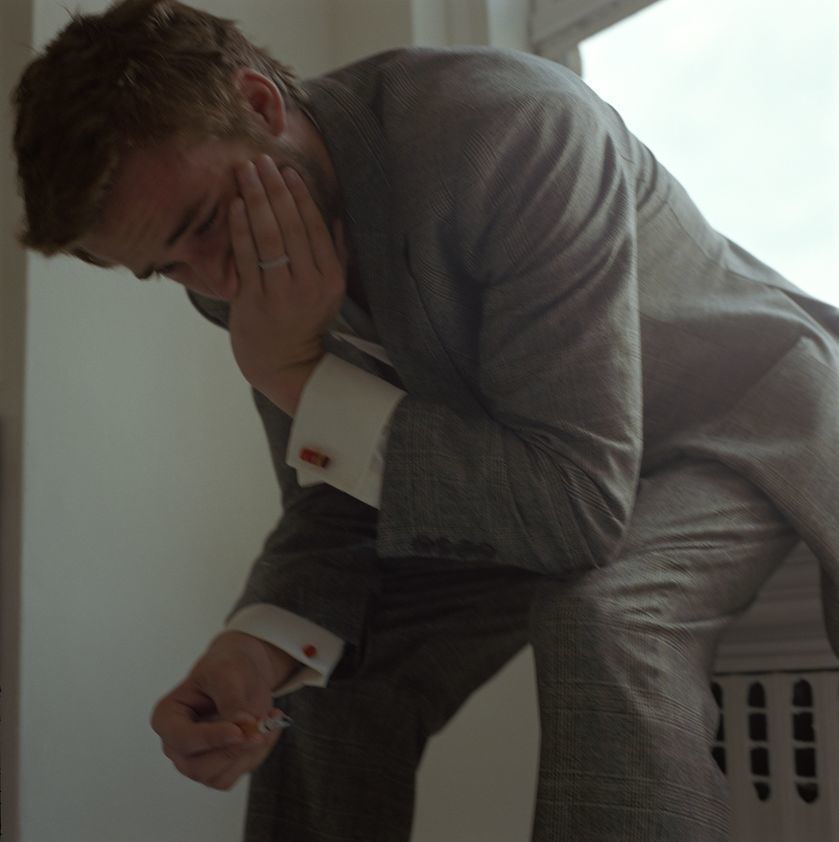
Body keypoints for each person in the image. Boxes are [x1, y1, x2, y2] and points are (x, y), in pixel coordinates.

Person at [12, 0, 839, 839]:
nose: (217, 284)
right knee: (321, 667)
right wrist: (258, 646)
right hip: (519, 472)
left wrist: (296, 373)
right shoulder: (234, 274)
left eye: (205, 224)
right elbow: (340, 503)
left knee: (601, 617)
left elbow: (573, 516)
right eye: (166, 269)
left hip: (728, 421)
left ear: (258, 105)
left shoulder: (510, 125)